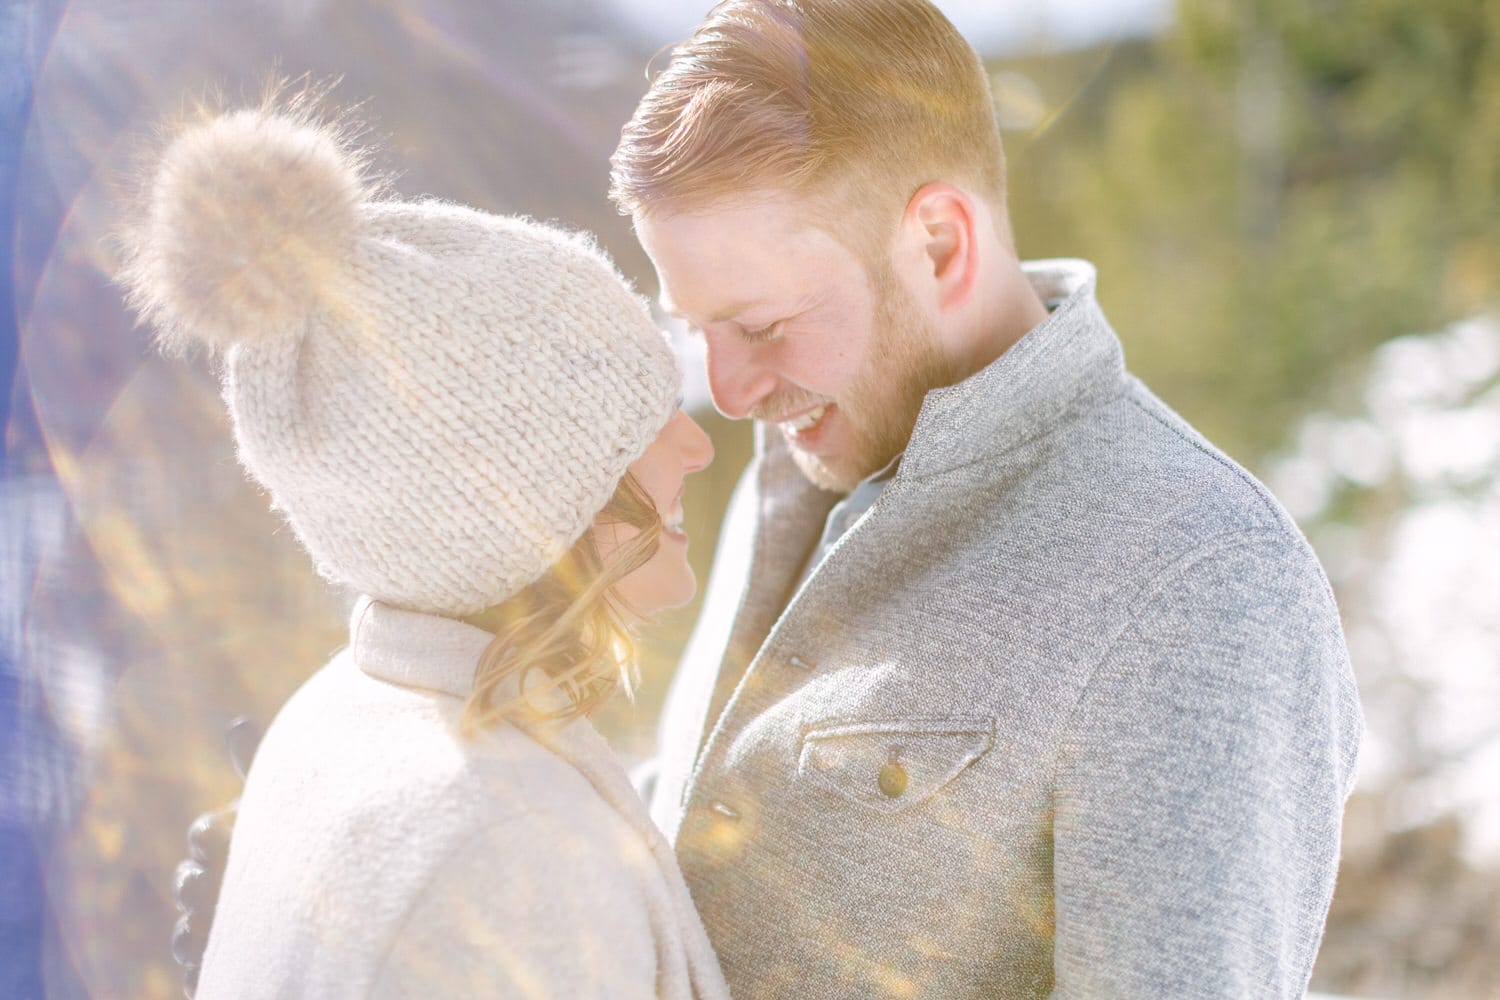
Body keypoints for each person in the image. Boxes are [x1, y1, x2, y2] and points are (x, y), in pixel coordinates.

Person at [608, 1, 1364, 997]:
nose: (731, 389)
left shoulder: (1197, 578)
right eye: (694, 330)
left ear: (936, 244)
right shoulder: (796, 462)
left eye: (758, 324)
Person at [119, 100, 729, 999]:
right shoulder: (515, 859)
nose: (699, 447)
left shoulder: (341, 716)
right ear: (513, 500)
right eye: (641, 420)